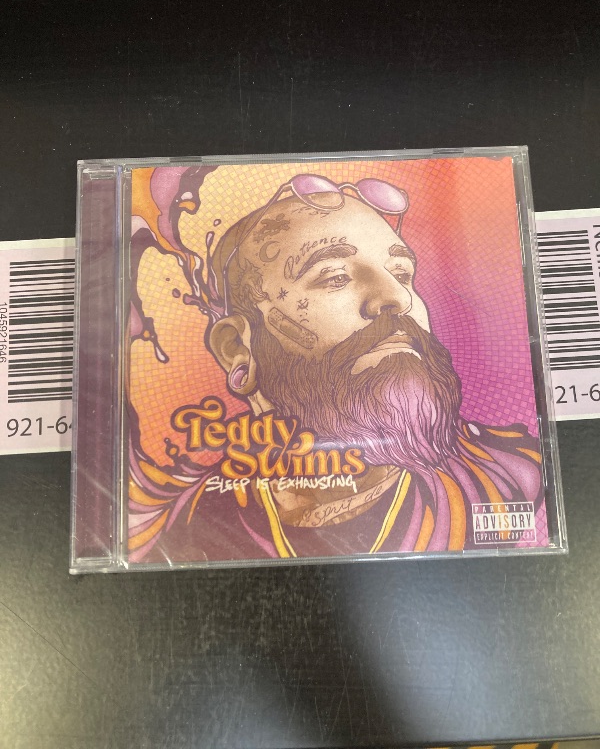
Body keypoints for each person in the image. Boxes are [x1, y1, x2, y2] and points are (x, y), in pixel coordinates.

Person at [129, 171, 545, 561]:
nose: (396, 298)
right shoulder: (180, 527)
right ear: (238, 349)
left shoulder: (512, 481)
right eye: (334, 277)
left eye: (402, 273)